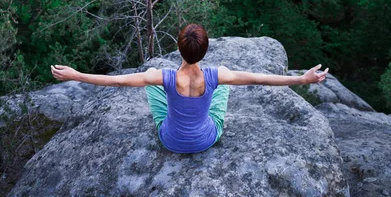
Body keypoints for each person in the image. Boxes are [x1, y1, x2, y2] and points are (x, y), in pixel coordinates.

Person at [51, 23, 329, 154]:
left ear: (178, 48)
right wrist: (302, 79)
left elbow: (118, 81)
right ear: (206, 49)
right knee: (224, 86)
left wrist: (77, 74)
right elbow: (260, 78)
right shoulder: (215, 74)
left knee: (148, 78)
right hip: (206, 138)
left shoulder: (166, 77)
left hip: (170, 139)